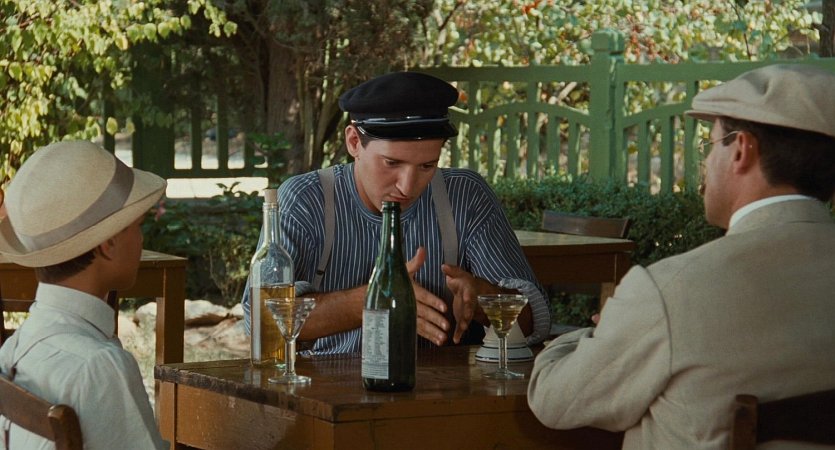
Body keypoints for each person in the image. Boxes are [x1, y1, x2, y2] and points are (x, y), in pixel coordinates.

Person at [527, 64, 835, 449]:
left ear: (741, 150)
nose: (705, 163)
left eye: (710, 145)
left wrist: (594, 335)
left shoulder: (670, 292)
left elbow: (553, 400)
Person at [242, 71, 550, 354]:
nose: (407, 186)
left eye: (427, 165)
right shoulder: (306, 199)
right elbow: (261, 322)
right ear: (354, 142)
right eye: (392, 163)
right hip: (328, 384)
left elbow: (534, 323)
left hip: (442, 386)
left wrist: (483, 299)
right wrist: (370, 301)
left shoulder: (465, 195)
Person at [0, 141, 168, 450]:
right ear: (108, 243)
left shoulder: (17, 346)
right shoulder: (100, 366)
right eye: (137, 225)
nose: (141, 239)